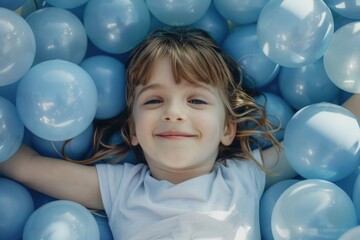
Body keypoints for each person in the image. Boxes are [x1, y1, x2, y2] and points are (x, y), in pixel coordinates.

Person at [0, 27, 358, 239]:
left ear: (228, 129)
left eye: (197, 101)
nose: (174, 113)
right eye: (155, 100)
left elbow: (332, 130)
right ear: (133, 130)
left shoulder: (246, 176)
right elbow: (26, 166)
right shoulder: (120, 187)